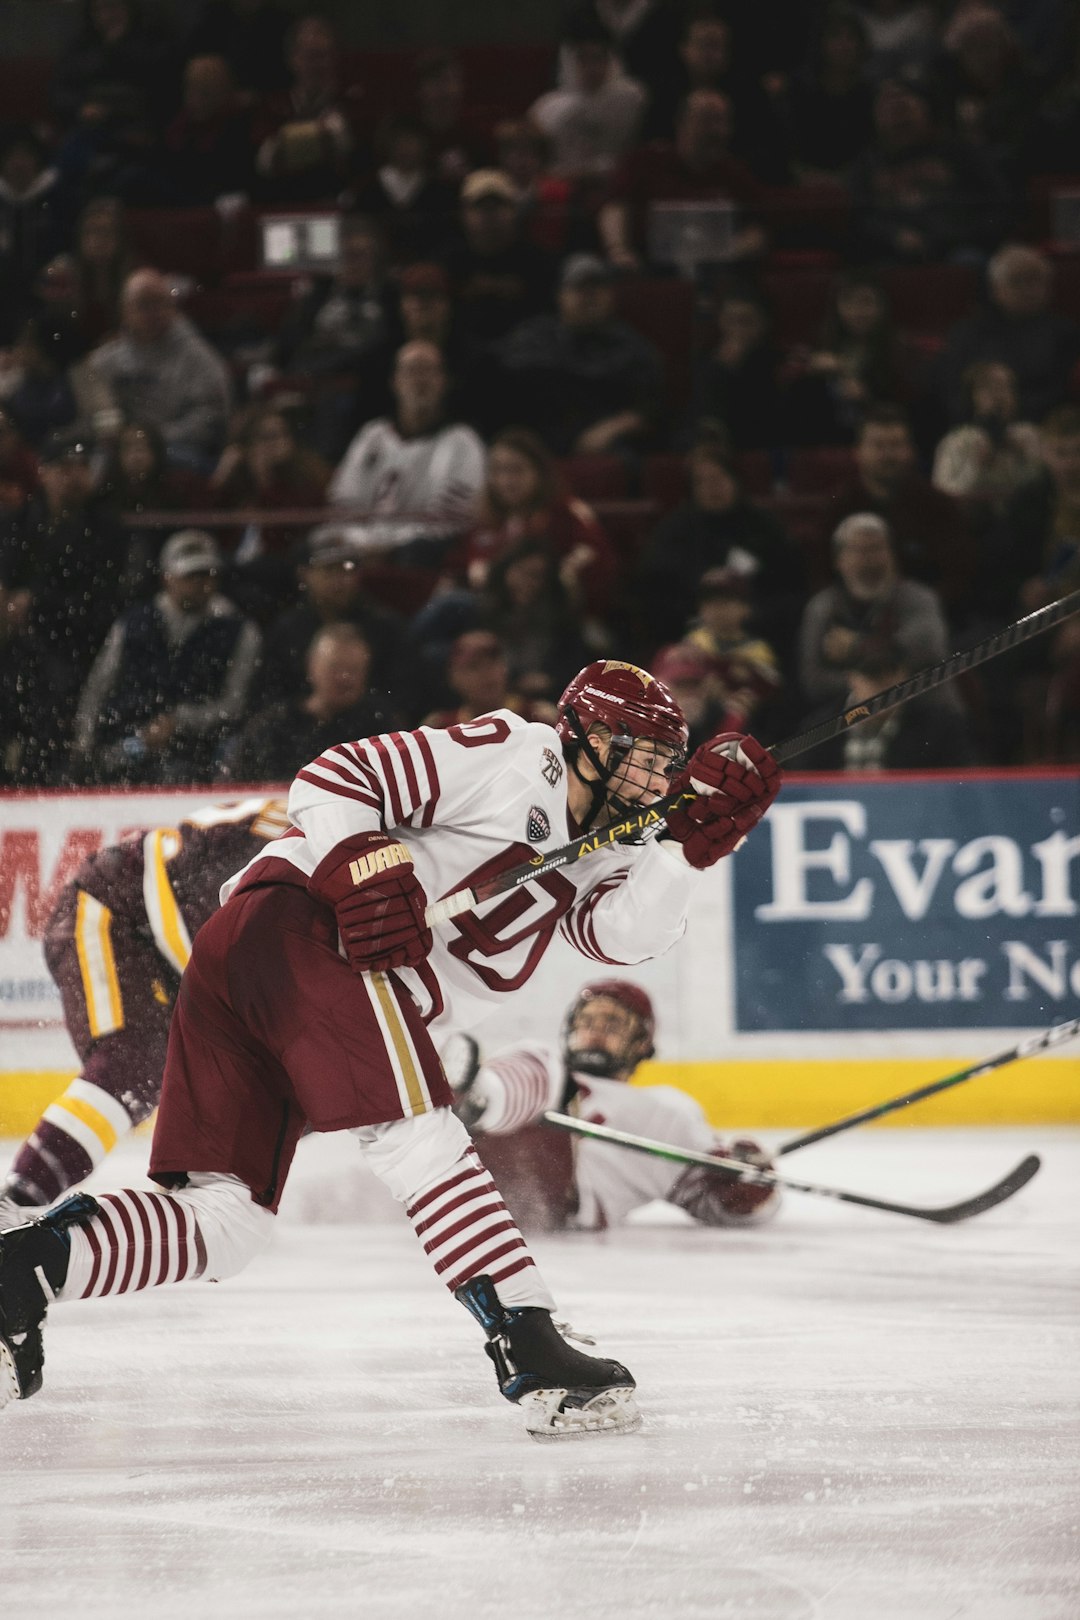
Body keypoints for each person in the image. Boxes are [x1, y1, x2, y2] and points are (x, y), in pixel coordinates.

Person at [0, 659, 781, 1438]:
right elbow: (335, 775)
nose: (655, 778)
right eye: (642, 753)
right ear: (585, 738)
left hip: (269, 971)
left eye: (664, 762)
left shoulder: (618, 846)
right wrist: (363, 868)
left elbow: (624, 935)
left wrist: (685, 851)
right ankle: (528, 1337)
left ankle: (24, 1268)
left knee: (225, 1222)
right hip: (297, 929)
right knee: (417, 1126)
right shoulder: (516, 754)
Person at [0, 796, 291, 1225]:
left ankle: (196, 1191)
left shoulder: (330, 841)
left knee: (208, 1068)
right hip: (110, 907)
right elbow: (195, 899)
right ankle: (20, 1196)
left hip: (160, 933)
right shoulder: (298, 840)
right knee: (134, 1062)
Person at [447, 979, 779, 1233]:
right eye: (587, 1022)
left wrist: (750, 1183)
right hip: (472, 1166)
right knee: (541, 1063)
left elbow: (721, 1205)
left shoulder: (666, 1112)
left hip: (551, 1194)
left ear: (642, 1041)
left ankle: (478, 1102)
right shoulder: (551, 1072)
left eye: (613, 1025)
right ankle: (471, 1105)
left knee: (540, 1063)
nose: (595, 1032)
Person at [69, 528, 261, 784]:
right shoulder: (132, 624)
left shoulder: (238, 630)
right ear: (166, 577)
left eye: (207, 574)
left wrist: (180, 721)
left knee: (179, 774)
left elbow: (234, 705)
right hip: (126, 741)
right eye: (190, 576)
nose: (200, 584)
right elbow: (98, 687)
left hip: (198, 750)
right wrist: (84, 743)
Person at [0, 428, 131, 781]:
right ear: (44, 471)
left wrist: (36, 603)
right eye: (64, 467)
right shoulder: (19, 521)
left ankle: (52, 774)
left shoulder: (104, 528)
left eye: (80, 467)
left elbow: (103, 598)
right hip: (16, 643)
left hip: (76, 643)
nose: (73, 477)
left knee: (52, 699)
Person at [637, 435, 807, 651]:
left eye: (718, 478)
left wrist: (744, 617)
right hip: (689, 643)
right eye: (702, 481)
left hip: (758, 636)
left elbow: (790, 591)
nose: (712, 488)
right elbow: (657, 595)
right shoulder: (673, 534)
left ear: (735, 480)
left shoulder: (765, 528)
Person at [329, 340, 486, 564]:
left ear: (443, 381)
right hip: (361, 546)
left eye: (428, 371)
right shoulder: (372, 435)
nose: (420, 380)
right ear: (395, 381)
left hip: (416, 551)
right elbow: (345, 499)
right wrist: (359, 542)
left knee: (415, 554)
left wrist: (387, 547)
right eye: (411, 370)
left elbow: (450, 519)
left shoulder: (463, 442)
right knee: (311, 550)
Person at [497, 253, 665, 456]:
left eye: (597, 287)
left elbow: (652, 408)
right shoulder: (534, 338)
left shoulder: (632, 347)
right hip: (540, 449)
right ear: (560, 296)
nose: (589, 295)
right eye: (579, 288)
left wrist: (611, 429)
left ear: (612, 295)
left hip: (607, 448)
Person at [823, 405, 975, 623]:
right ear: (857, 452)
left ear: (910, 450)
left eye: (896, 445)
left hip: (924, 618)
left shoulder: (938, 506)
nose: (888, 455)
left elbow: (958, 574)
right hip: (849, 618)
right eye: (878, 446)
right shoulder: (839, 506)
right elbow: (821, 571)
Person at [847, 73, 1012, 267]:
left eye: (902, 107)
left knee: (968, 260)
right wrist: (894, 235)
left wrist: (949, 235)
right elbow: (859, 219)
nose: (897, 117)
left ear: (926, 109)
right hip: (891, 253)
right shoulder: (867, 163)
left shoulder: (960, 152)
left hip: (958, 247)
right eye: (887, 107)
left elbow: (998, 207)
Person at [797, 511, 951, 709]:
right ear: (838, 560)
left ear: (892, 555)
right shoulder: (821, 608)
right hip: (845, 718)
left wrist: (858, 646)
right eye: (859, 551)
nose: (869, 560)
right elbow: (813, 681)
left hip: (918, 712)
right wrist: (865, 685)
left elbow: (928, 648)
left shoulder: (918, 598)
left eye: (876, 548)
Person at [599, 90, 768, 270]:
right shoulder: (645, 162)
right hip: (647, 270)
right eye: (707, 121)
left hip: (718, 275)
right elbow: (614, 206)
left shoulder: (734, 172)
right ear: (682, 124)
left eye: (723, 121)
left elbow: (758, 231)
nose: (717, 131)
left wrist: (726, 252)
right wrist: (618, 251)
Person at [84, 268, 232, 471]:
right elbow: (98, 415)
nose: (155, 312)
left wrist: (154, 440)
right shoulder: (104, 361)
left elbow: (211, 418)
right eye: (145, 305)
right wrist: (117, 435)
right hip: (121, 449)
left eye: (161, 303)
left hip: (179, 447)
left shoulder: (199, 357)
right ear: (126, 311)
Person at [459, 427, 616, 618]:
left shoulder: (565, 514)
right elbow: (475, 570)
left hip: (552, 619)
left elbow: (595, 565)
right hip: (491, 617)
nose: (505, 481)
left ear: (539, 472)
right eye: (497, 471)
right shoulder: (488, 521)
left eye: (516, 470)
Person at [220, 623, 394, 783]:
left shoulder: (381, 729)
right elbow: (234, 787)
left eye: (354, 670)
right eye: (335, 667)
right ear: (312, 665)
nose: (344, 678)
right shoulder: (272, 725)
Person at [936, 245, 1080, 430]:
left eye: (1036, 281)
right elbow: (951, 387)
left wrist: (1015, 408)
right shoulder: (968, 332)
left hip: (1043, 428)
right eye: (1018, 281)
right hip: (974, 426)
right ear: (996, 288)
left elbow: (1062, 390)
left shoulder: (1064, 333)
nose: (1029, 290)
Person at [258, 525, 404, 705]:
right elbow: (267, 695)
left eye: (347, 569)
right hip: (300, 726)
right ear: (304, 574)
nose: (340, 580)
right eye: (329, 570)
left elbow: (401, 696)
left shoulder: (384, 627)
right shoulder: (286, 630)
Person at [797, 639, 979, 770]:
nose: (880, 685)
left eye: (888, 672)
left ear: (904, 675)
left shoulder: (937, 728)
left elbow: (963, 784)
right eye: (870, 673)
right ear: (851, 677)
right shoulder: (819, 730)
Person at [528, 11, 647, 182]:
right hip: (561, 184)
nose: (592, 68)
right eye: (583, 59)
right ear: (569, 61)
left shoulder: (631, 99)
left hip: (615, 182)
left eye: (598, 58)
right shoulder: (546, 108)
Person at [931, 360, 1042, 510]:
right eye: (989, 388)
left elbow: (1044, 489)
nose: (999, 395)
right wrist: (976, 466)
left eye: (1006, 386)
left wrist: (1024, 458)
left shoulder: (1028, 435)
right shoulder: (957, 441)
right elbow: (943, 495)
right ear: (972, 395)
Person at [162, 53, 257, 206]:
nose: (196, 97)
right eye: (192, 87)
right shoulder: (179, 130)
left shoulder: (243, 128)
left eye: (206, 90)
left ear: (226, 89)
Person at [421, 629, 559, 729]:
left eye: (493, 663)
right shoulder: (440, 729)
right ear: (453, 677)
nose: (486, 673)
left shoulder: (539, 719)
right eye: (474, 666)